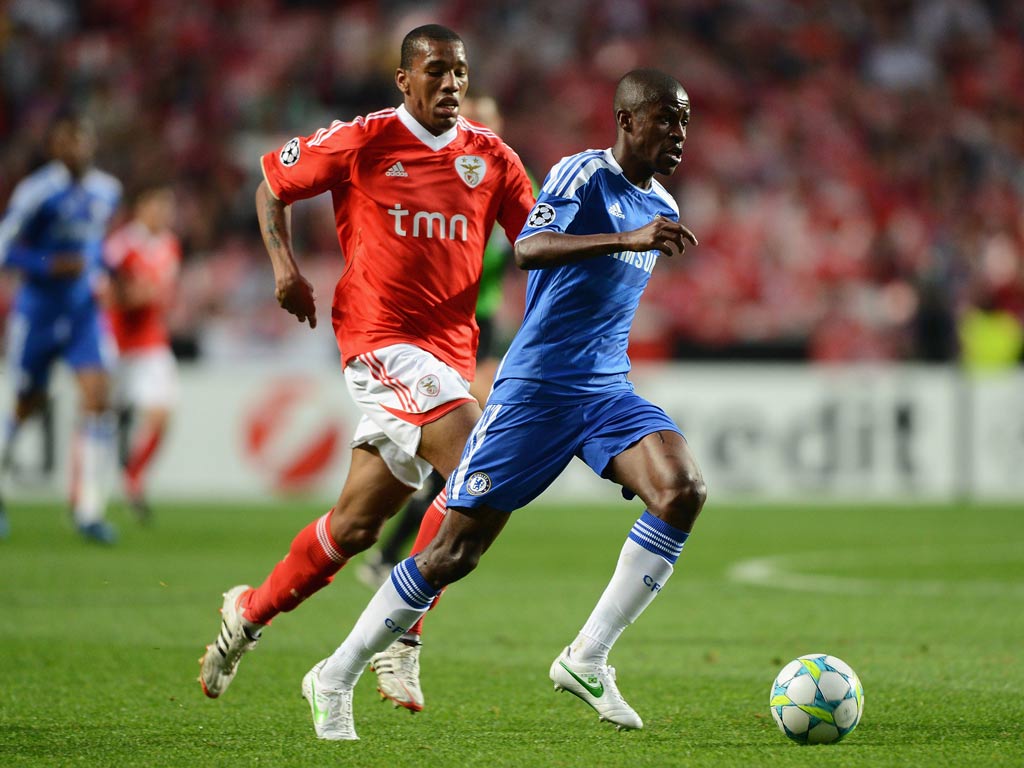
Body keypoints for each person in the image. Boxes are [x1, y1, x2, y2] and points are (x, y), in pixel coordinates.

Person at [301, 68, 706, 742]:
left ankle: (587, 657)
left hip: (605, 390)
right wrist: (626, 239)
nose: (678, 134)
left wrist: (642, 236)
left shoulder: (662, 201)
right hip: (536, 391)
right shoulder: (584, 175)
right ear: (628, 120)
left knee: (682, 489)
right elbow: (529, 247)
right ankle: (336, 672)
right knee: (454, 553)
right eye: (666, 119)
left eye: (685, 122)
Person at [198, 24, 535, 712]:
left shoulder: (492, 159)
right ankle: (401, 636)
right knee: (481, 462)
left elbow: (539, 245)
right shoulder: (365, 139)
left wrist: (616, 242)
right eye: (436, 72)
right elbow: (271, 183)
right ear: (404, 81)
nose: (451, 85)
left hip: (448, 358)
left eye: (460, 73)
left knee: (353, 529)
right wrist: (285, 270)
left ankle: (247, 615)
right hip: (380, 342)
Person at [355, 94, 523, 590]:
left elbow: (527, 247)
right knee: (465, 452)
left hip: (480, 328)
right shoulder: (436, 171)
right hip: (427, 329)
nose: (481, 130)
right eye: (477, 120)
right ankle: (405, 562)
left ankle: (396, 555)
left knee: (464, 453)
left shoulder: (507, 173)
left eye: (490, 121)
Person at [0, 111, 122, 544]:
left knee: (97, 395)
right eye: (66, 142)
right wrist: (49, 264)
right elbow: (5, 247)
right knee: (24, 402)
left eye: (81, 140)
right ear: (54, 148)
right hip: (38, 312)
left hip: (83, 313)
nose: (75, 149)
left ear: (90, 143)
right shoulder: (37, 192)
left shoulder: (108, 191)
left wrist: (106, 272)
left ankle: (88, 510)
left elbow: (96, 246)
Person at [104, 184, 181, 522]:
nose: (163, 213)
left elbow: (161, 295)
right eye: (157, 205)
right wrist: (131, 297)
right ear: (140, 208)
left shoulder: (170, 245)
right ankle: (82, 498)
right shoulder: (120, 245)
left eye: (167, 206)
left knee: (163, 414)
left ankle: (133, 475)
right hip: (116, 341)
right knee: (95, 416)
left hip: (151, 341)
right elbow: (102, 291)